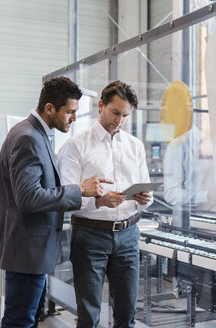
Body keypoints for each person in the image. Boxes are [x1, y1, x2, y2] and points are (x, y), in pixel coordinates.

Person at [0, 76, 109, 328]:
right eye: (70, 112)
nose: (74, 118)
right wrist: (79, 190)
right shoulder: (28, 137)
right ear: (49, 108)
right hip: (26, 252)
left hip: (30, 250)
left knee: (25, 318)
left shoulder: (35, 133)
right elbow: (28, 198)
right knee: (19, 321)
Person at [58, 80, 152, 328]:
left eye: (125, 115)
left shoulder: (135, 146)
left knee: (127, 312)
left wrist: (144, 199)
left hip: (129, 235)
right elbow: (66, 200)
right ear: (101, 106)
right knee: (88, 314)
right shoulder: (75, 146)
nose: (120, 120)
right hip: (90, 236)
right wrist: (98, 202)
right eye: (115, 112)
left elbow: (145, 191)